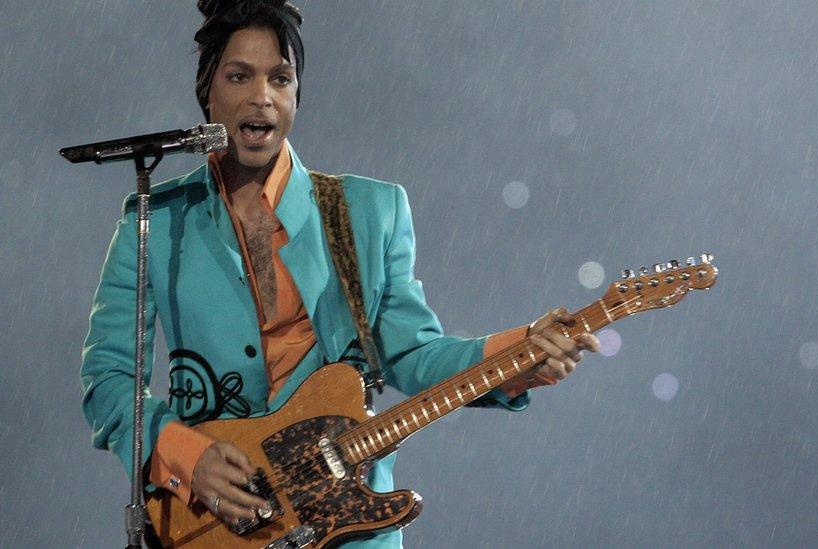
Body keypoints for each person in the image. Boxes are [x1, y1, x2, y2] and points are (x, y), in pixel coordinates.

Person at [80, 1, 599, 547]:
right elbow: (108, 377)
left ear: (296, 95)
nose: (262, 95)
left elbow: (414, 354)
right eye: (240, 76)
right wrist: (186, 456)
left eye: (281, 78)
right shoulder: (156, 221)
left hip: (349, 522)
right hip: (211, 524)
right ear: (208, 93)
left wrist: (521, 353)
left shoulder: (369, 212)